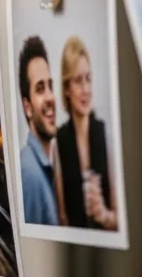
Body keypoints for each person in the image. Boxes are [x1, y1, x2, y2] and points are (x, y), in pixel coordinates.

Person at [56, 36, 117, 230]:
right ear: (66, 88)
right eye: (77, 81)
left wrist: (104, 215)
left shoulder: (105, 132)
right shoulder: (59, 141)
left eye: (88, 79)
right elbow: (62, 219)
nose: (85, 89)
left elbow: (121, 220)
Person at [18, 36, 59, 225]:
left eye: (50, 86)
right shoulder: (30, 174)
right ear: (27, 107)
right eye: (40, 89)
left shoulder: (43, 168)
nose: (50, 97)